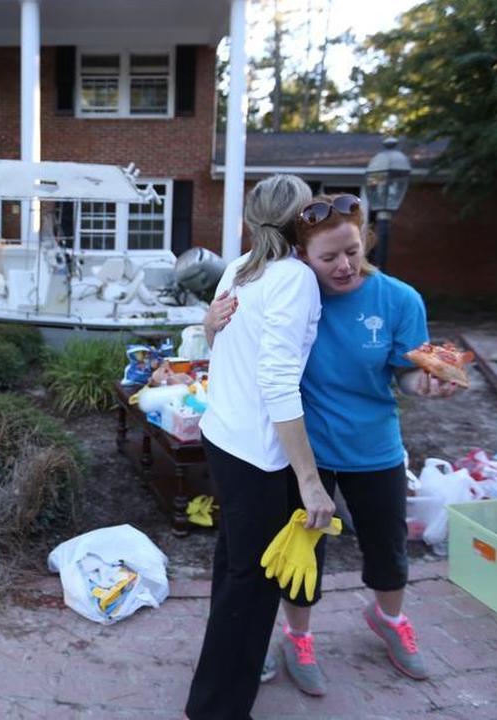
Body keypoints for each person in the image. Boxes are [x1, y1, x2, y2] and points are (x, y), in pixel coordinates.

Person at [205, 192, 457, 698]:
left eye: (353, 250)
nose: (343, 265)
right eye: (328, 257)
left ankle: (390, 619)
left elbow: (406, 374)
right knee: (304, 557)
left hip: (375, 445)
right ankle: (298, 638)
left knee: (388, 547)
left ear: (365, 240)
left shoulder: (399, 299)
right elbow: (253, 350)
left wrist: (424, 385)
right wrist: (210, 323)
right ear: (301, 254)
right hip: (308, 451)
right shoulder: (295, 292)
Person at [184, 174, 336, 720]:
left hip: (225, 439)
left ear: (252, 222)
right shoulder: (292, 277)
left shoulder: (239, 268)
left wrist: (207, 323)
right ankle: (217, 709)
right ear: (301, 221)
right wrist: (310, 479)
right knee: (251, 588)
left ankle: (213, 694)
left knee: (234, 573)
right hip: (255, 454)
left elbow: (222, 343)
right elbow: (277, 381)